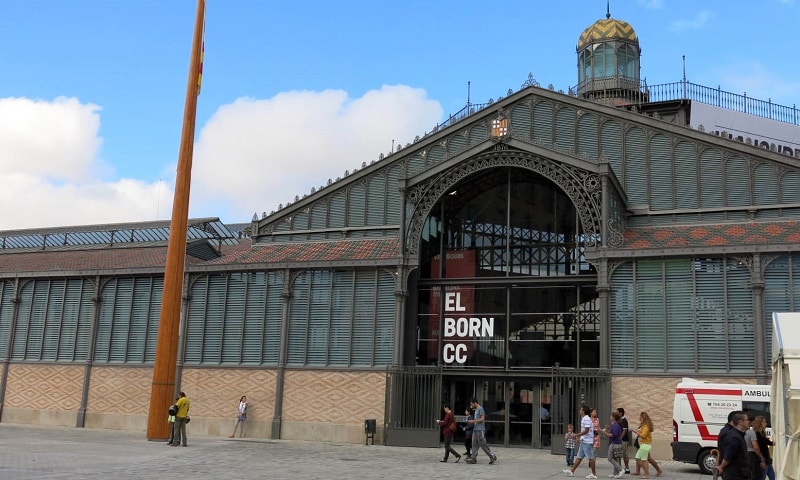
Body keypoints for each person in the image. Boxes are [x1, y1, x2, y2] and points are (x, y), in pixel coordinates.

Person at [563, 405, 597, 478]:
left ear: (583, 411)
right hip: (584, 441)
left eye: (581, 410)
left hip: (587, 442)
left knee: (591, 457)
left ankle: (594, 474)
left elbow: (586, 430)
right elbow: (584, 431)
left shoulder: (587, 419)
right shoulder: (584, 419)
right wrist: (580, 438)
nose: (579, 411)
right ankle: (572, 471)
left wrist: (576, 435)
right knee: (579, 457)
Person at [716, 411, 750, 480]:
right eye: (747, 420)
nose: (749, 422)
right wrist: (721, 467)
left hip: (739, 473)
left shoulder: (738, 435)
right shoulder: (735, 437)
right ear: (740, 422)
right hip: (735, 475)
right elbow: (728, 456)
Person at [466, 397, 498, 465]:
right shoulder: (476, 409)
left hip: (480, 430)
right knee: (474, 444)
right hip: (475, 429)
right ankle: (473, 459)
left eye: (472, 404)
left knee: (483, 444)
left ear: (475, 403)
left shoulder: (481, 409)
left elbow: (482, 419)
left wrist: (473, 421)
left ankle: (492, 456)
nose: (471, 406)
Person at [631, 412, 663, 477]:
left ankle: (646, 473)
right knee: (647, 458)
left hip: (645, 445)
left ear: (643, 418)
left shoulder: (646, 426)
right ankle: (658, 470)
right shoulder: (644, 425)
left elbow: (643, 435)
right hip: (644, 444)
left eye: (640, 417)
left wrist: (637, 432)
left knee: (643, 459)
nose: (639, 419)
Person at [604, 411, 625, 478]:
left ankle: (621, 470)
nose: (610, 417)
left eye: (611, 416)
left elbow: (614, 434)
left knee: (610, 458)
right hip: (616, 443)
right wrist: (609, 428)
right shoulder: (615, 424)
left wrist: (606, 434)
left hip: (614, 443)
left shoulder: (615, 424)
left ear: (614, 418)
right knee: (615, 458)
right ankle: (615, 473)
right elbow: (614, 431)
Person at [617, 407, 631, 474]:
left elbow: (625, 430)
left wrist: (620, 438)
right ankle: (619, 468)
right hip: (620, 440)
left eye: (617, 413)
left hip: (624, 440)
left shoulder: (624, 420)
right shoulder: (619, 420)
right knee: (619, 454)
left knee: (625, 454)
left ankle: (627, 468)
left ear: (621, 413)